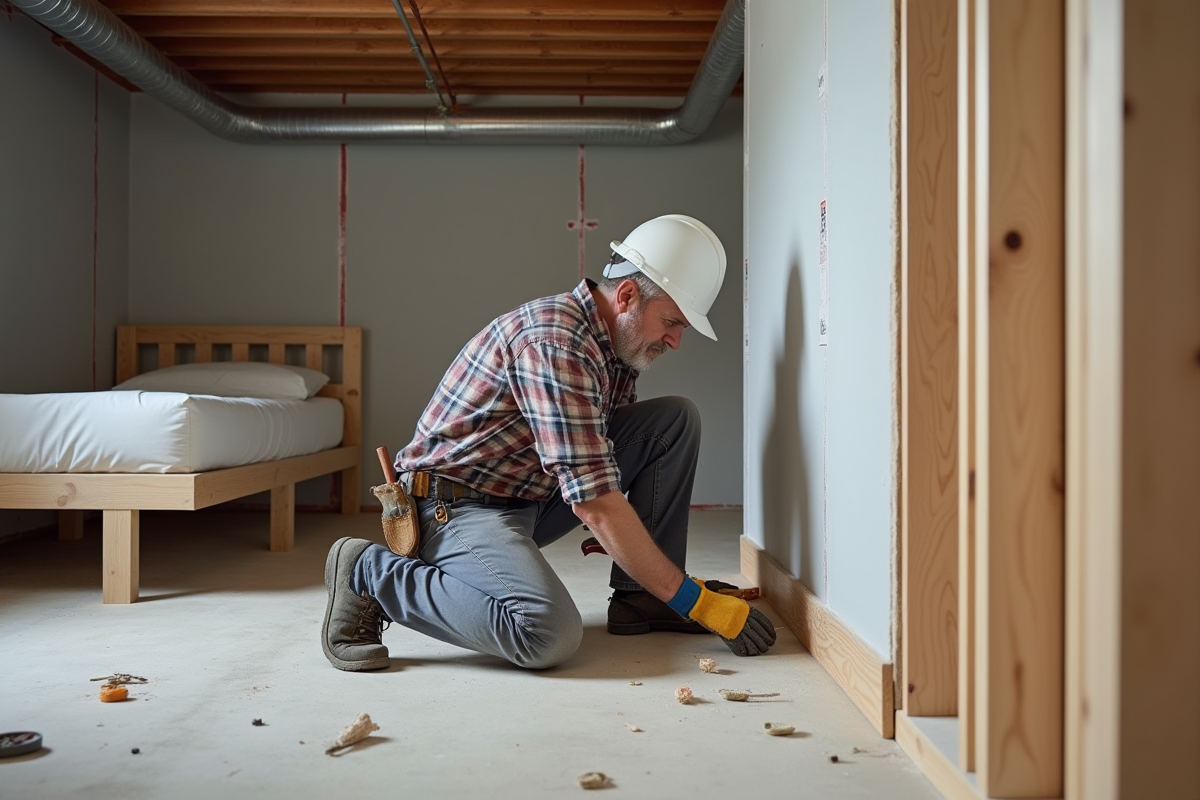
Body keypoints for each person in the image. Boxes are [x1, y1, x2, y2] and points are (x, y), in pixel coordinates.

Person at [320, 214, 776, 672]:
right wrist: (699, 602)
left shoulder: (613, 346)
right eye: (672, 322)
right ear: (628, 295)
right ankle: (369, 573)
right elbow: (595, 502)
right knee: (546, 633)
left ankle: (644, 600)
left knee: (672, 420)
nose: (676, 340)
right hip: (454, 507)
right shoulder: (556, 344)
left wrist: (647, 564)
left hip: (527, 493)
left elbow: (597, 459)